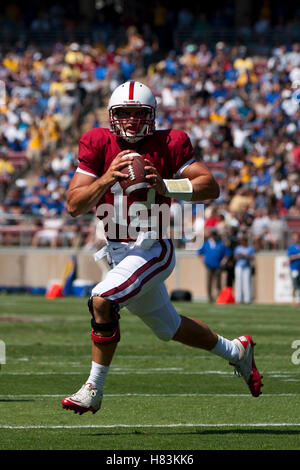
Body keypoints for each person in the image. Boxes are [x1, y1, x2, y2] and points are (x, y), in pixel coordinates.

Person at [61, 80, 263, 415]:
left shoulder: (170, 142)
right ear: (112, 116)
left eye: (138, 113)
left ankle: (93, 388)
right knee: (168, 328)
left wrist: (166, 183)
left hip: (153, 246)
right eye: (123, 114)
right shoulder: (97, 142)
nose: (130, 121)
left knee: (102, 300)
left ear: (151, 115)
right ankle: (237, 351)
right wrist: (107, 178)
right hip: (118, 252)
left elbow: (209, 185)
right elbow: (73, 204)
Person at [197, 229, 228, 302]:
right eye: (212, 235)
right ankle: (210, 297)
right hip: (209, 266)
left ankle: (219, 297)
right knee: (209, 282)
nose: (213, 236)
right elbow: (199, 253)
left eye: (215, 235)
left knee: (218, 282)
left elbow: (227, 254)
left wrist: (223, 261)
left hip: (217, 266)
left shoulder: (220, 244)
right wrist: (203, 261)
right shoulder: (206, 243)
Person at [234, 234, 256, 304]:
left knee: (246, 283)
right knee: (239, 282)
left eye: (245, 241)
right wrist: (239, 255)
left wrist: (246, 256)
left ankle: (247, 299)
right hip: (239, 266)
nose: (244, 242)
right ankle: (238, 298)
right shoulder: (238, 248)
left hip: (247, 267)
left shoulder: (250, 248)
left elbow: (253, 258)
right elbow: (235, 257)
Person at [287, 232, 300, 306]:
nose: (296, 238)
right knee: (294, 285)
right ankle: (293, 300)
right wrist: (298, 256)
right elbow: (290, 257)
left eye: (297, 237)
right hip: (294, 269)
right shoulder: (291, 247)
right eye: (294, 237)